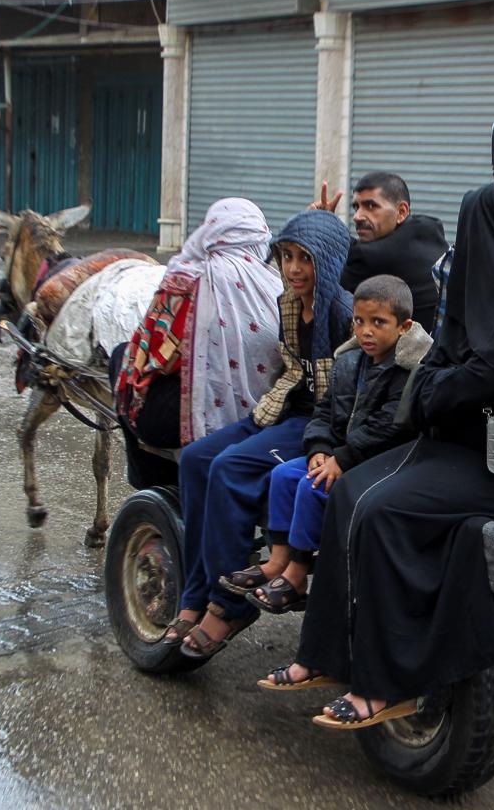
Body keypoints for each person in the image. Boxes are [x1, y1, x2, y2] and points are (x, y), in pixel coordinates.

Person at [265, 183, 494, 729]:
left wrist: (443, 387)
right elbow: (436, 388)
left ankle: (389, 682)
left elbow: (441, 390)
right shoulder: (486, 303)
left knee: (385, 510)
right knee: (347, 489)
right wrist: (443, 387)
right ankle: (327, 654)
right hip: (477, 447)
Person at [169, 209, 354, 659]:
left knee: (230, 469)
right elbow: (294, 371)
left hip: (323, 424)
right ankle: (195, 594)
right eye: (286, 256)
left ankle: (229, 605)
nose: (292, 269)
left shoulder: (344, 314)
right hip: (289, 408)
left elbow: (346, 400)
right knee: (195, 460)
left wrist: (325, 444)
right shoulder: (288, 303)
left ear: (326, 262)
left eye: (304, 259)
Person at [242, 275, 433, 620]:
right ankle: (278, 561)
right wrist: (318, 447)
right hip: (343, 454)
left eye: (379, 323)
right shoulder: (349, 362)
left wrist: (341, 459)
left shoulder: (410, 369)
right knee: (284, 474)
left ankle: (298, 575)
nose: (366, 332)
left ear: (404, 326)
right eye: (359, 322)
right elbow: (325, 410)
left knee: (312, 485)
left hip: (380, 461)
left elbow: (389, 427)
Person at [111, 198, 284, 489]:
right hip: (267, 418)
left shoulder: (185, 279)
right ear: (260, 235)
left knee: (123, 360)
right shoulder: (276, 286)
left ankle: (149, 483)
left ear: (211, 230)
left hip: (189, 425)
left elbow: (154, 355)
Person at [310, 173, 447, 329]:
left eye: (371, 206)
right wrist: (329, 224)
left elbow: (318, 286)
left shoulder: (368, 259)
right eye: (356, 207)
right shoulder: (429, 227)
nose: (357, 217)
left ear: (401, 211)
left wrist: (316, 229)